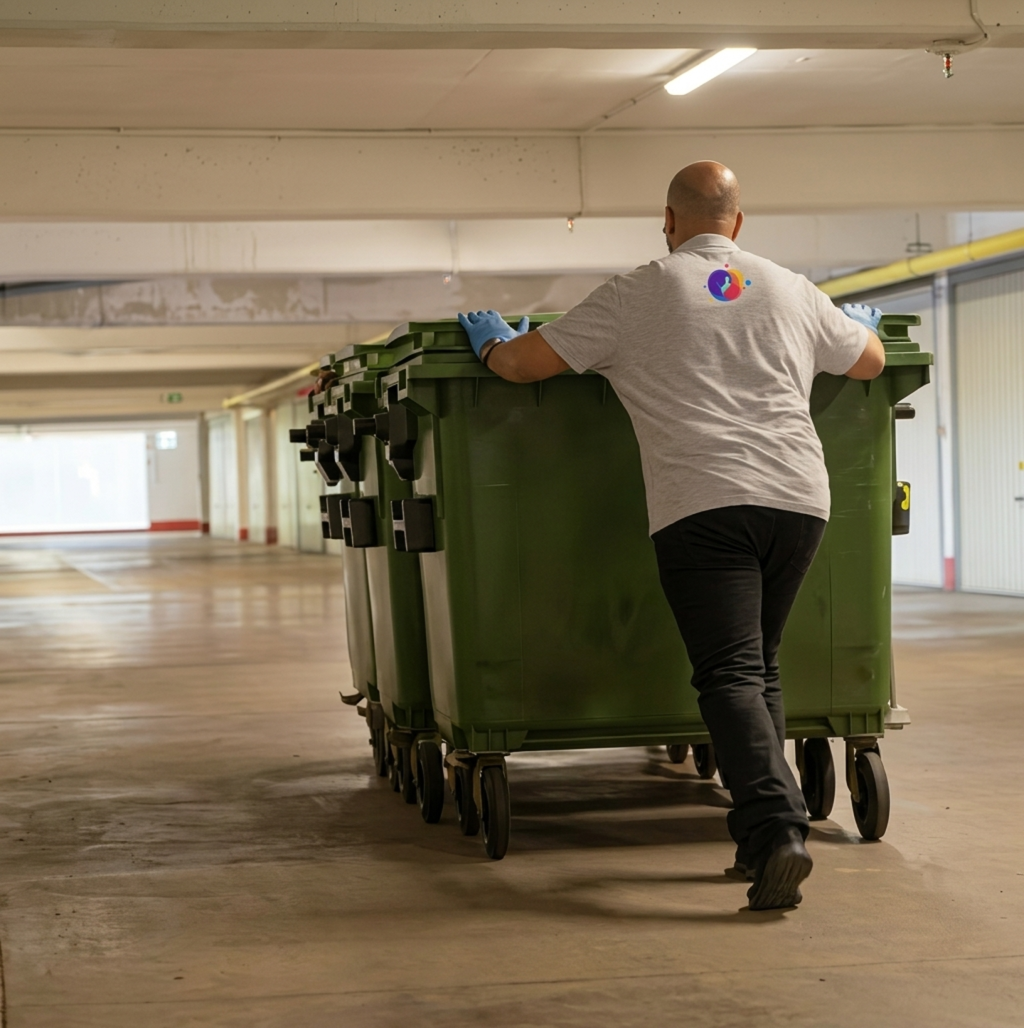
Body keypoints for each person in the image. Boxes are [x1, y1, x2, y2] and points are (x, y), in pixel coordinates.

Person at [457, 161, 884, 911]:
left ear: (668, 220)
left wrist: (492, 346)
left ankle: (780, 828)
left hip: (705, 503)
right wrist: (855, 331)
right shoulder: (789, 286)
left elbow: (525, 367)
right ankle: (762, 851)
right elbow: (871, 360)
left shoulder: (639, 291)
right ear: (739, 223)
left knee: (728, 674)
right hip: (799, 500)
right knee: (759, 669)